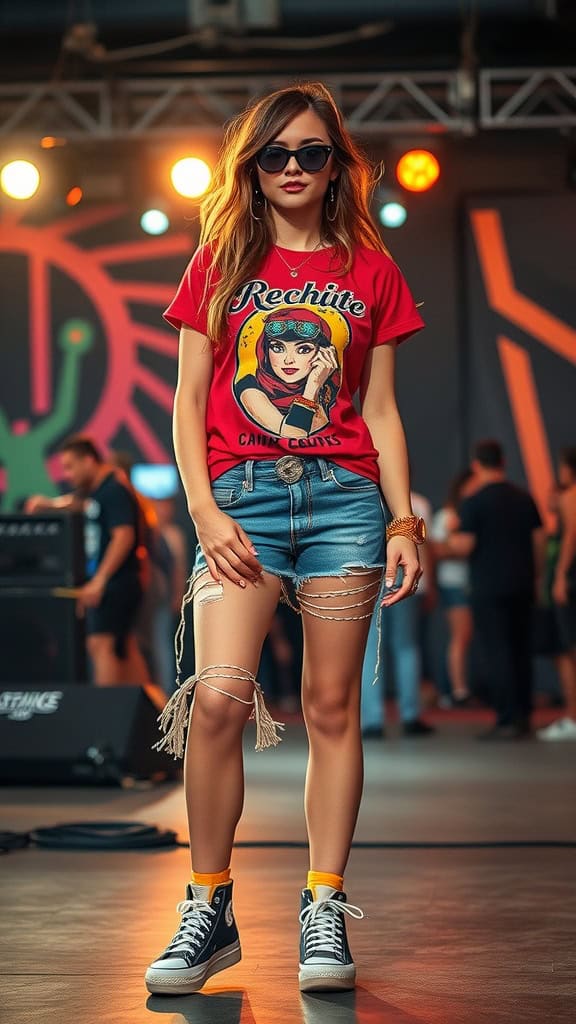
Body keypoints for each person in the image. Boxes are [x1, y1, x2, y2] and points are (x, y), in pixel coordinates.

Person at [144, 81, 425, 998]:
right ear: (252, 168)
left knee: (332, 708)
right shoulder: (221, 261)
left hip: (346, 499)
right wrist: (205, 511)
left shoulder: (371, 270)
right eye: (277, 155)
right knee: (219, 701)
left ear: (336, 163)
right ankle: (209, 905)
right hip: (243, 503)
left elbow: (378, 409)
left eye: (312, 153)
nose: (295, 168)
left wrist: (402, 518)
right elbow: (188, 403)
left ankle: (324, 903)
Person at [27, 436, 151, 687]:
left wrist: (99, 581)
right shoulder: (99, 490)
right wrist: (49, 504)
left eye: (70, 466)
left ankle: (105, 717)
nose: (67, 475)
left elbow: (124, 536)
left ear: (89, 460)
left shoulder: (114, 488)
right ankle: (151, 709)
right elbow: (77, 503)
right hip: (119, 580)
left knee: (100, 644)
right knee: (123, 646)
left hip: (117, 581)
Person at [443, 440, 545, 740]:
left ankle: (506, 719)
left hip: (489, 586)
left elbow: (464, 546)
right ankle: (524, 715)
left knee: (497, 651)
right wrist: (536, 578)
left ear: (477, 465)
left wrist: (449, 536)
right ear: (503, 462)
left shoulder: (474, 502)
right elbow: (538, 541)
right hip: (523, 583)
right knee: (520, 650)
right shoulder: (524, 497)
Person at [361, 490, 436, 738]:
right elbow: (425, 549)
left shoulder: (362, 495)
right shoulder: (419, 503)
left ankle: (372, 721)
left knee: (370, 648)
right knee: (407, 647)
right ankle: (410, 716)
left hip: (370, 575)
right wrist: (428, 585)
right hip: (406, 576)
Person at [538, 448, 576, 740]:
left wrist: (561, 575)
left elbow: (571, 536)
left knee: (567, 650)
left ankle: (573, 717)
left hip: (570, 580)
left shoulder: (570, 495)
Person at [430, 470, 476, 707]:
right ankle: (458, 691)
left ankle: (462, 688)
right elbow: (437, 550)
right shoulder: (446, 515)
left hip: (473, 583)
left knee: (468, 638)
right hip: (453, 583)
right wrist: (457, 542)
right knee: (461, 636)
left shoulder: (474, 513)